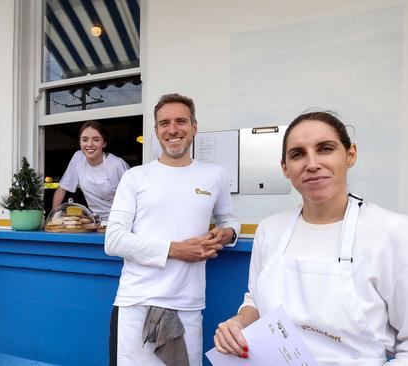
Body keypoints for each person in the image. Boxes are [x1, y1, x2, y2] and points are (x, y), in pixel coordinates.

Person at [213, 111, 408, 365]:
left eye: (325, 149)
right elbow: (256, 300)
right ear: (285, 167)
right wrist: (238, 323)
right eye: (298, 154)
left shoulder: (392, 232)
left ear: (351, 155)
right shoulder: (270, 230)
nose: (312, 163)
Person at [105, 93, 240, 365]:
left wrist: (228, 235)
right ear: (156, 131)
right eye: (164, 123)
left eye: (181, 121)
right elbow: (114, 241)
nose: (173, 129)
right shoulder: (135, 177)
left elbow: (229, 220)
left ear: (194, 127)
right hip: (136, 303)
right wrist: (176, 250)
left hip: (188, 304)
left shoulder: (215, 175)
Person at [52, 121, 130, 222]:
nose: (89, 144)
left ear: (104, 143)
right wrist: (53, 218)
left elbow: (133, 198)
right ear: (80, 142)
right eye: (85, 140)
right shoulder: (78, 159)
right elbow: (62, 189)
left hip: (120, 222)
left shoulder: (117, 165)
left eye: (96, 140)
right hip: (95, 222)